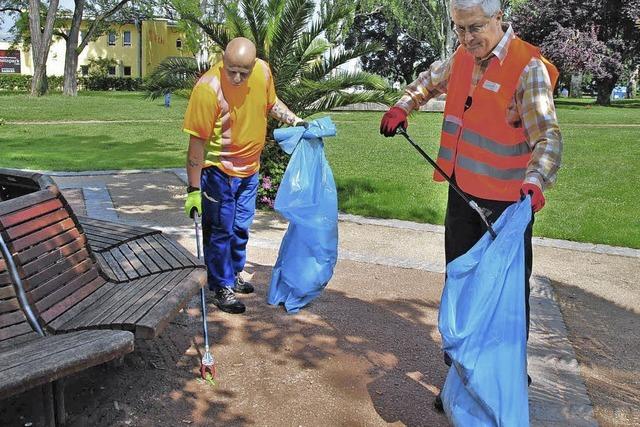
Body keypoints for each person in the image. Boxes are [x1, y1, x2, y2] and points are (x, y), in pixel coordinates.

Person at [380, 0, 562, 411]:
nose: (465, 38)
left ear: (499, 16)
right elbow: (427, 80)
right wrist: (404, 104)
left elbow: (548, 138)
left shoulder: (526, 67)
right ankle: (461, 381)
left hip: (506, 208)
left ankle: (505, 380)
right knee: (461, 288)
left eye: (474, 27)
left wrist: (535, 183)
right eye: (458, 29)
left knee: (502, 297)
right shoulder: (462, 56)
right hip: (462, 195)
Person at [183, 37, 305, 314]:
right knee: (221, 230)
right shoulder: (207, 89)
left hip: (250, 169)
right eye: (231, 70)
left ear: (253, 65)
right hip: (218, 171)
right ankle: (220, 285)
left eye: (243, 72)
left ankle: (233, 273)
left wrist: (295, 120)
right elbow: (196, 145)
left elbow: (271, 104)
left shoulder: (262, 71)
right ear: (222, 61)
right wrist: (192, 190)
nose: (237, 77)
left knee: (240, 227)